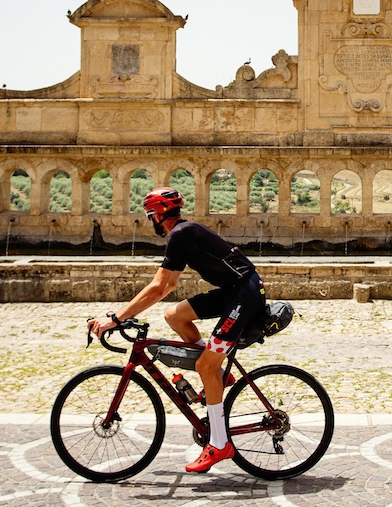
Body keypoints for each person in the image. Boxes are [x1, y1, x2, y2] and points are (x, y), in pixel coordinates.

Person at [87, 186, 265, 474]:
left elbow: (159, 287)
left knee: (205, 364)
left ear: (158, 214)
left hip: (246, 294)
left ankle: (220, 444)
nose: (150, 220)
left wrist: (116, 318)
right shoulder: (181, 234)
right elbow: (167, 286)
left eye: (150, 215)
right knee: (174, 316)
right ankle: (218, 375)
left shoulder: (181, 234)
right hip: (234, 291)